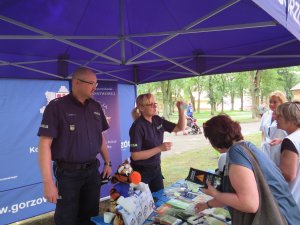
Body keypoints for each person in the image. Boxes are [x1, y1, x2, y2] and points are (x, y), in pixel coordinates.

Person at [37, 67, 112, 225]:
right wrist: (48, 182)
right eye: (91, 83)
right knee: (67, 218)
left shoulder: (96, 106)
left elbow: (101, 137)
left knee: (90, 215)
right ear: (76, 82)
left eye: (96, 84)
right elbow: (44, 145)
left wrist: (107, 162)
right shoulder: (56, 107)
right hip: (68, 175)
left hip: (92, 171)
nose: (94, 87)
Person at [195, 115, 300, 225]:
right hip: (288, 215)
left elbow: (249, 204)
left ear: (214, 141)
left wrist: (215, 194)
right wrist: (207, 205)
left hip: (278, 218)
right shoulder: (247, 147)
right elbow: (238, 194)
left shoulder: (236, 153)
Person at [129, 93, 185, 192]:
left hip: (156, 169)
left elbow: (179, 128)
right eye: (150, 104)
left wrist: (181, 110)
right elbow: (135, 156)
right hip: (141, 172)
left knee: (159, 200)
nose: (154, 106)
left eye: (155, 103)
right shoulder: (137, 127)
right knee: (142, 204)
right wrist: (160, 148)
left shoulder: (157, 119)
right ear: (141, 108)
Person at [276, 101, 300, 209]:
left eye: (279, 116)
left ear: (291, 119)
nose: (275, 118)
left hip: (292, 200)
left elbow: (288, 175)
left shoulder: (290, 141)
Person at [260, 91, 287, 166]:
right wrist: (262, 142)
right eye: (270, 102)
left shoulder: (287, 116)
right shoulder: (266, 115)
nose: (271, 104)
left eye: (275, 102)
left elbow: (293, 134)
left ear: (282, 102)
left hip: (281, 149)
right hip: (266, 149)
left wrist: (282, 141)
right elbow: (263, 131)